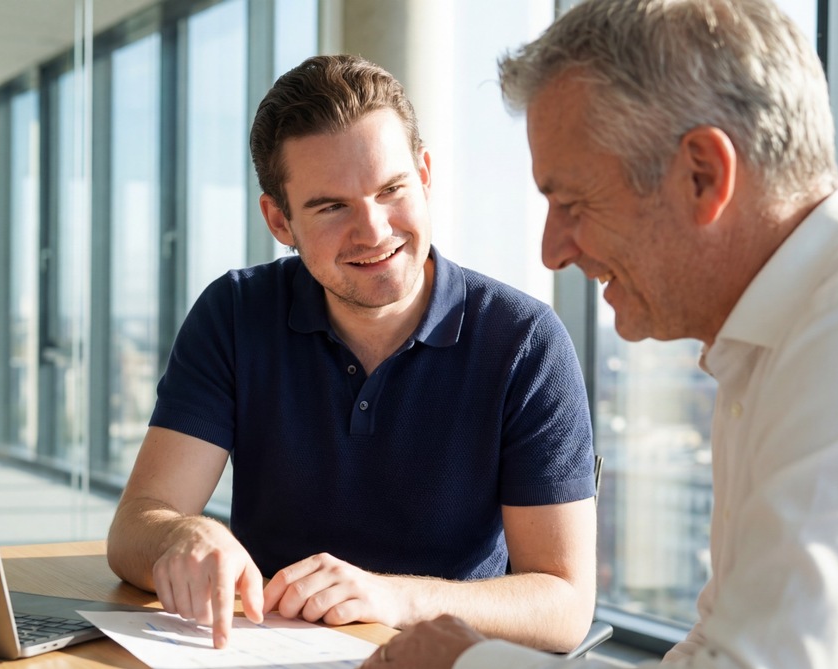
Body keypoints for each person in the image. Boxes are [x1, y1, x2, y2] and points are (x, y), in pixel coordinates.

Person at [361, 0, 838, 667]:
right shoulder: (776, 343)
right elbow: (718, 648)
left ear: (703, 176)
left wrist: (467, 660)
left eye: (570, 204)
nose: (551, 251)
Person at [106, 54, 598, 653]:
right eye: (331, 206)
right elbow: (136, 527)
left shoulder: (525, 342)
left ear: (425, 174)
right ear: (278, 220)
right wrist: (181, 535)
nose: (373, 231)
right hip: (261, 655)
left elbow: (564, 603)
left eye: (391, 189)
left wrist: (391, 596)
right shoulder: (235, 313)